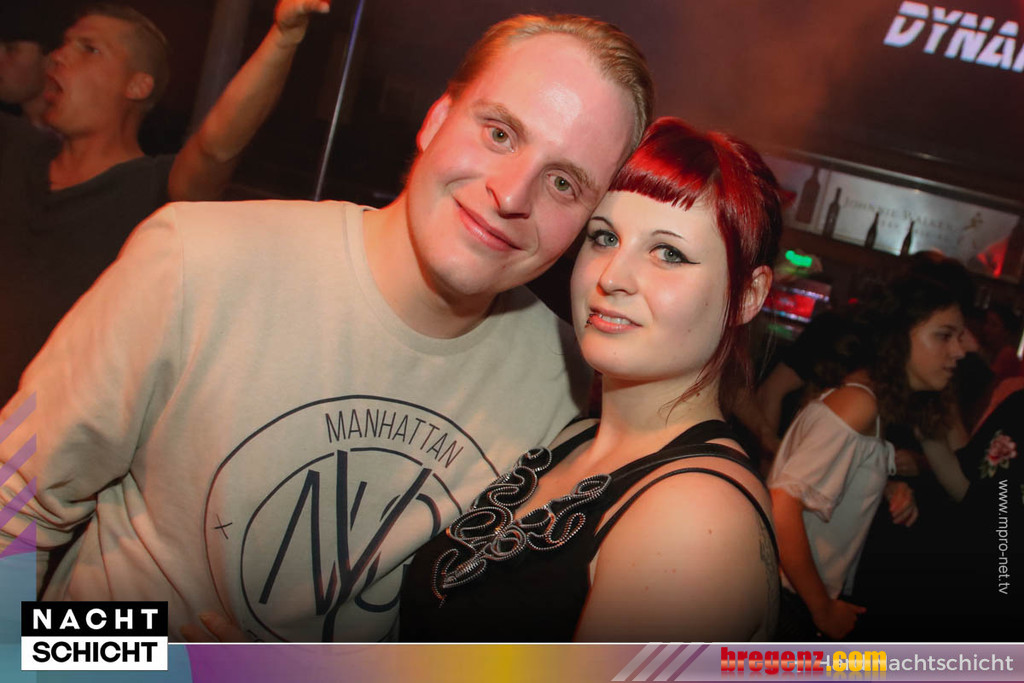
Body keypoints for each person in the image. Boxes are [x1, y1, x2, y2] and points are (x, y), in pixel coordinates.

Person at [0, 14, 653, 643]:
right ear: (436, 119)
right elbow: (13, 509)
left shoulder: (565, 386)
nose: (511, 194)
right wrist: (160, 655)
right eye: (500, 133)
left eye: (563, 182)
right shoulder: (196, 261)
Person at [398, 117, 782, 642]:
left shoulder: (694, 518)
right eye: (604, 238)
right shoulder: (579, 436)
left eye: (668, 253)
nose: (611, 276)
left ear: (747, 297)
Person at [0, 0, 332, 404]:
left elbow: (217, 148)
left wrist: (283, 38)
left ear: (137, 86)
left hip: (38, 430)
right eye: (63, 44)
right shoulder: (15, 148)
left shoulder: (155, 191)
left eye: (89, 49)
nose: (58, 56)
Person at [769, 273, 967, 640]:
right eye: (945, 335)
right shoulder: (859, 403)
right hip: (787, 604)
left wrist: (885, 487)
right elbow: (781, 505)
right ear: (899, 337)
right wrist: (823, 609)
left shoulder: (871, 404)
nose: (960, 350)